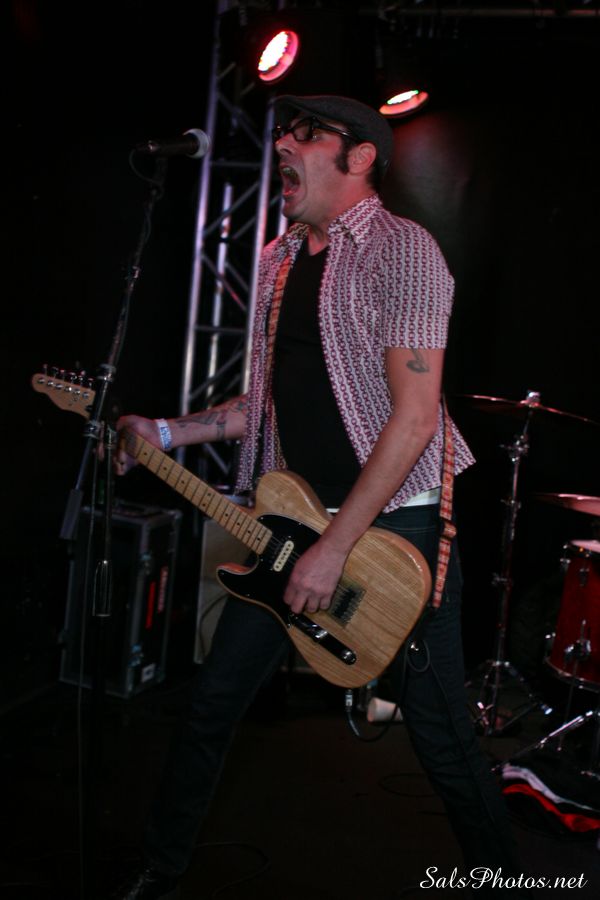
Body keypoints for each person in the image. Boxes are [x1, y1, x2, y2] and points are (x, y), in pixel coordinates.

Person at [112, 94, 526, 899]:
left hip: (396, 529)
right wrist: (163, 432)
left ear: (360, 156)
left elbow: (415, 420)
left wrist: (335, 547)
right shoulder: (276, 262)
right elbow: (262, 405)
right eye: (283, 132)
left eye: (307, 134)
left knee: (441, 737)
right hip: (290, 526)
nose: (284, 145)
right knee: (212, 702)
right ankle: (161, 869)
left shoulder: (403, 250)